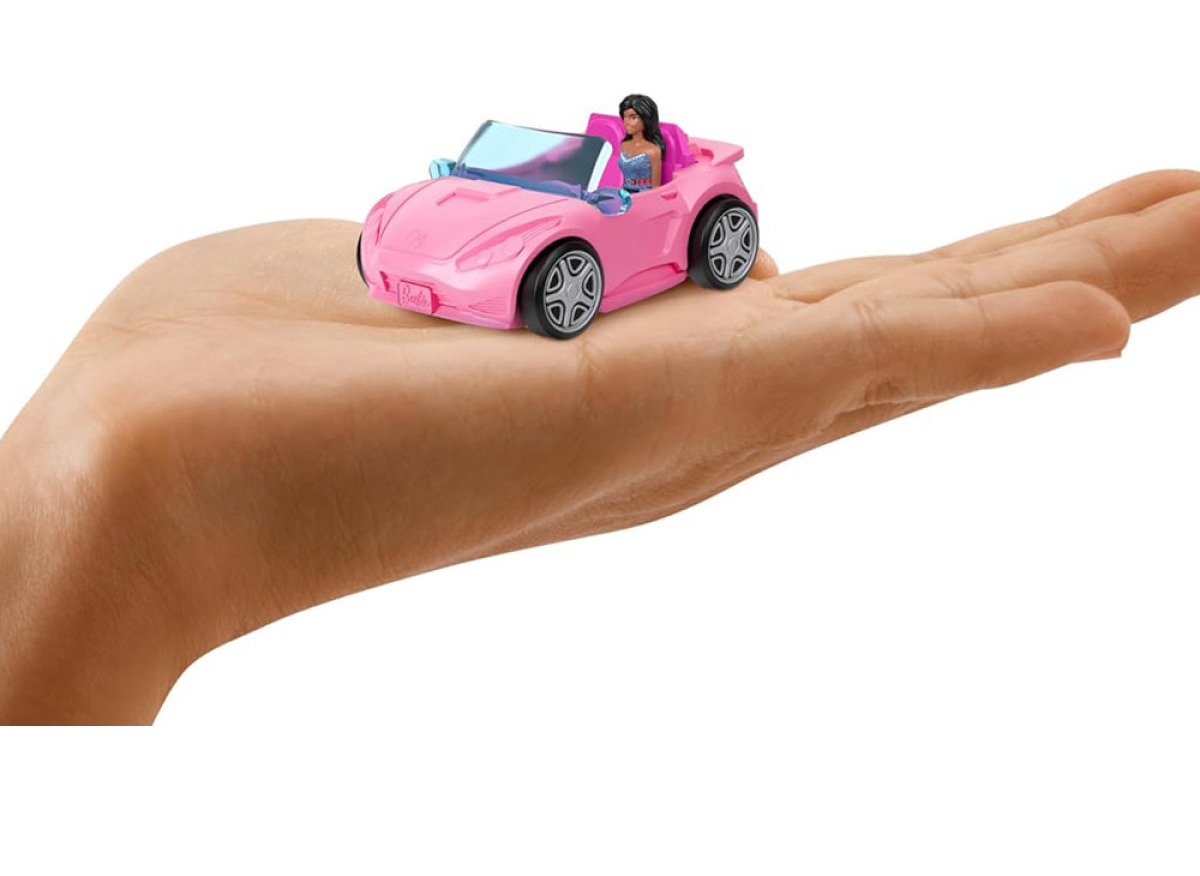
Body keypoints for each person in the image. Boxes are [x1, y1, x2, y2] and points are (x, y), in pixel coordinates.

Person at [1, 168, 1198, 723]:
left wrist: (118, 530)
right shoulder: (499, 185)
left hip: (608, 223)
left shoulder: (659, 189)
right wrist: (118, 509)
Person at [618, 93, 665, 192]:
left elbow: (655, 187)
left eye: (633, 118)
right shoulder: (624, 145)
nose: (627, 122)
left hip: (643, 194)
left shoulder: (653, 151)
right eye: (625, 117)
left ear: (646, 120)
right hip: (624, 192)